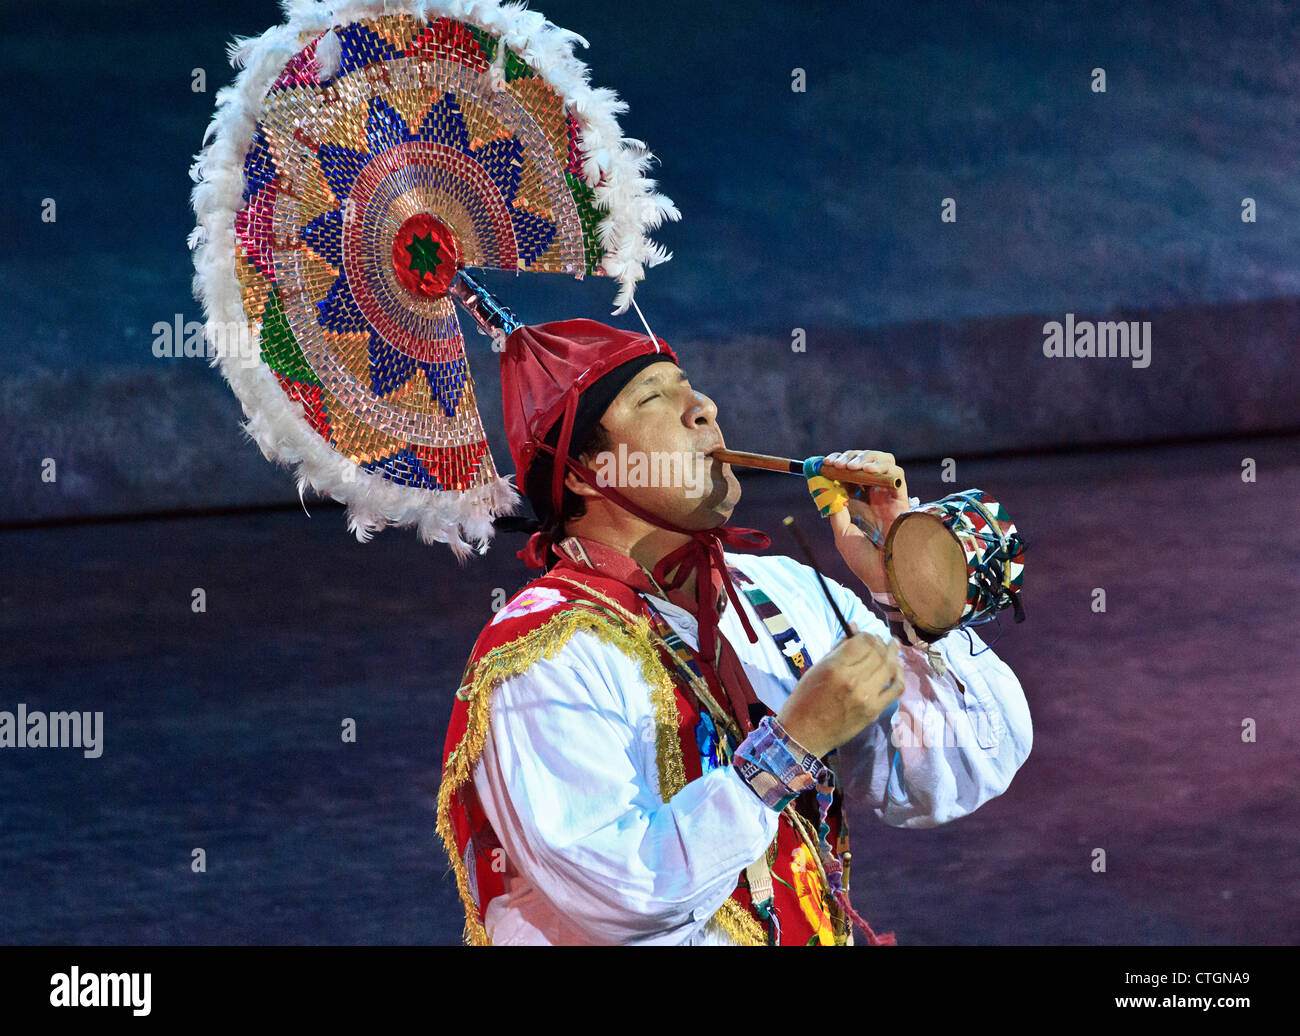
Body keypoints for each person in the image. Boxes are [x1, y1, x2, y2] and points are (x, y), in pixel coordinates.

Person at [437, 318, 1033, 946]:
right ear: (586, 472)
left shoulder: (775, 591)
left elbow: (958, 767)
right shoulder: (542, 655)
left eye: (689, 386)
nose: (704, 408)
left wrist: (907, 590)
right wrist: (792, 743)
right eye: (654, 398)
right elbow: (624, 891)